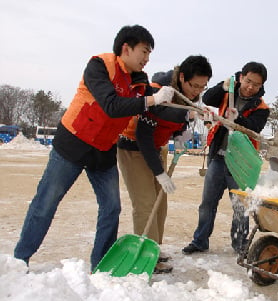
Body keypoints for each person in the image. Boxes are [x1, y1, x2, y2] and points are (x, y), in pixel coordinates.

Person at [13, 25, 174, 271]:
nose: (147, 59)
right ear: (126, 48)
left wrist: (195, 111)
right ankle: (19, 260)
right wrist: (152, 99)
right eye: (144, 51)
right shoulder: (99, 66)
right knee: (47, 201)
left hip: (104, 150)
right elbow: (111, 105)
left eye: (149, 54)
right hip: (73, 143)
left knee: (111, 207)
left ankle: (100, 264)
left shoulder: (140, 83)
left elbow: (157, 106)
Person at [118, 55, 212, 273]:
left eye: (202, 87)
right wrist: (160, 172)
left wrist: (180, 133)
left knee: (160, 204)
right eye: (194, 85)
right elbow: (143, 135)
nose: (197, 91)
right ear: (181, 77)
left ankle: (154, 249)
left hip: (157, 148)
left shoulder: (187, 96)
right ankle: (144, 257)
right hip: (134, 147)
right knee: (145, 204)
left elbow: (176, 118)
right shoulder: (158, 91)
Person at [182, 62, 269, 255]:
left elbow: (254, 128)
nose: (250, 87)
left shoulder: (262, 107)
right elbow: (207, 98)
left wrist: (237, 119)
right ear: (241, 77)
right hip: (219, 157)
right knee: (207, 203)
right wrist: (222, 86)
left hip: (241, 163)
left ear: (261, 86)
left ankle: (240, 244)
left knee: (240, 206)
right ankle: (200, 240)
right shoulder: (229, 90)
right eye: (248, 81)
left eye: (256, 84)